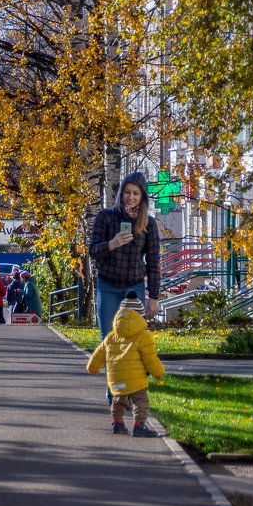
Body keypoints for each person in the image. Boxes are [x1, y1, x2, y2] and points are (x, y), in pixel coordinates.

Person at [89, 171, 162, 338]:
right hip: (107, 285)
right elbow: (93, 251)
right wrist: (112, 244)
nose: (131, 197)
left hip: (134, 287)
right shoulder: (105, 217)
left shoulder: (148, 223)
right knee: (108, 337)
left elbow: (153, 261)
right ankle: (111, 365)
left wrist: (153, 297)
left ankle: (129, 365)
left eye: (136, 193)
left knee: (133, 337)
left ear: (142, 196)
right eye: (127, 192)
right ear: (121, 193)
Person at [87, 292, 165, 437]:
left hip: (116, 378)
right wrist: (158, 372)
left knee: (118, 400)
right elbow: (150, 358)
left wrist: (93, 367)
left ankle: (118, 423)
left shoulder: (111, 336)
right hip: (136, 378)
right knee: (140, 401)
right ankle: (139, 425)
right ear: (141, 316)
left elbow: (99, 353)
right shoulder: (143, 336)